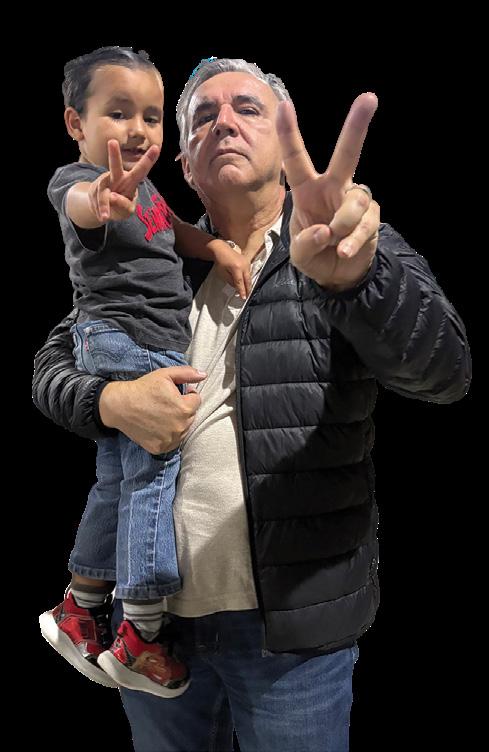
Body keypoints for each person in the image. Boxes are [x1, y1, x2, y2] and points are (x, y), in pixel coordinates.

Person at [33, 56, 471, 752]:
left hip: (290, 636)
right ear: (183, 162)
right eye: (202, 117)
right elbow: (52, 368)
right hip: (150, 635)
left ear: (284, 142)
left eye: (248, 108)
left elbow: (444, 373)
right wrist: (111, 400)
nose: (224, 123)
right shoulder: (151, 255)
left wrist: (358, 281)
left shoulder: (341, 239)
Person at [38, 47, 253, 699]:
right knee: (155, 472)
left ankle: (81, 606)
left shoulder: (151, 194)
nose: (137, 129)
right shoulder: (80, 181)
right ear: (76, 123)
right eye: (118, 113)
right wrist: (97, 199)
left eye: (152, 117)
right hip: (130, 340)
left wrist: (215, 247)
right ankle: (141, 632)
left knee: (117, 478)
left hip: (131, 340)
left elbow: (177, 231)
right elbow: (80, 205)